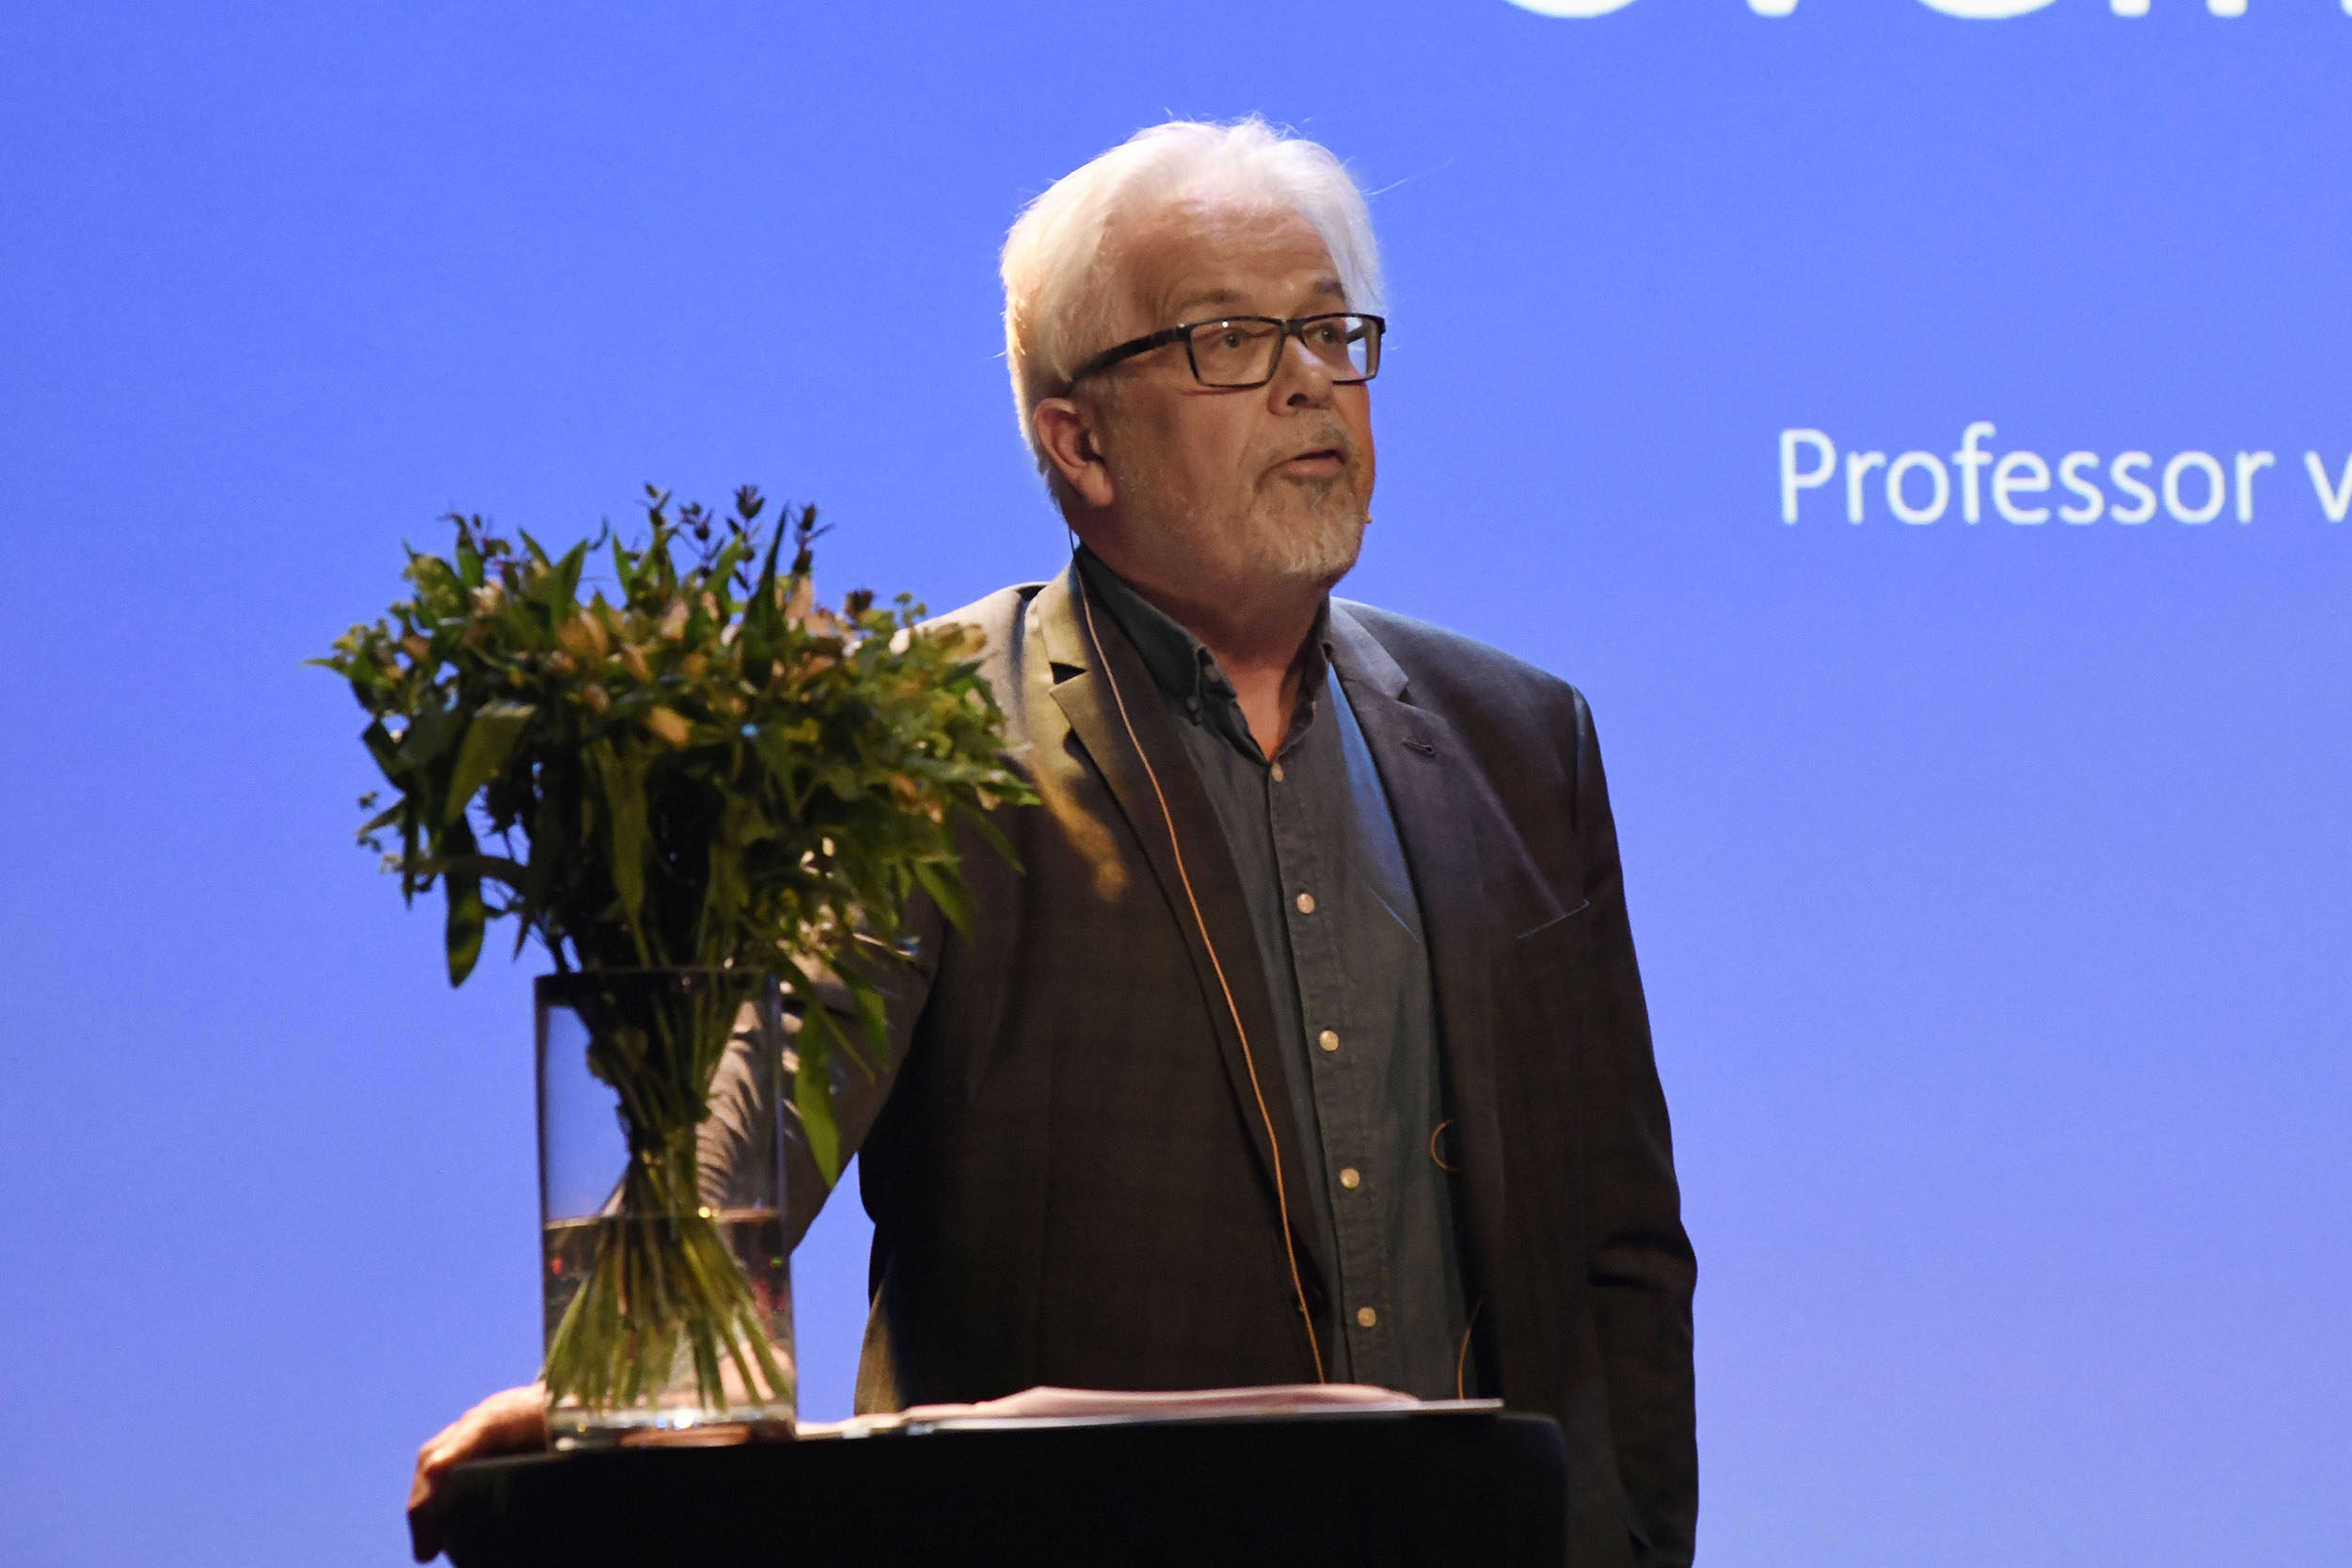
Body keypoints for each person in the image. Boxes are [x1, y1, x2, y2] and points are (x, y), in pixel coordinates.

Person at [409, 119, 1696, 1567]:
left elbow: (1623, 1256)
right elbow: (762, 1100)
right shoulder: (928, 727)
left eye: (1333, 332)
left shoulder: (1522, 737)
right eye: (1229, 340)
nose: (1310, 382)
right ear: (1078, 440)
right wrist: (626, 1373)